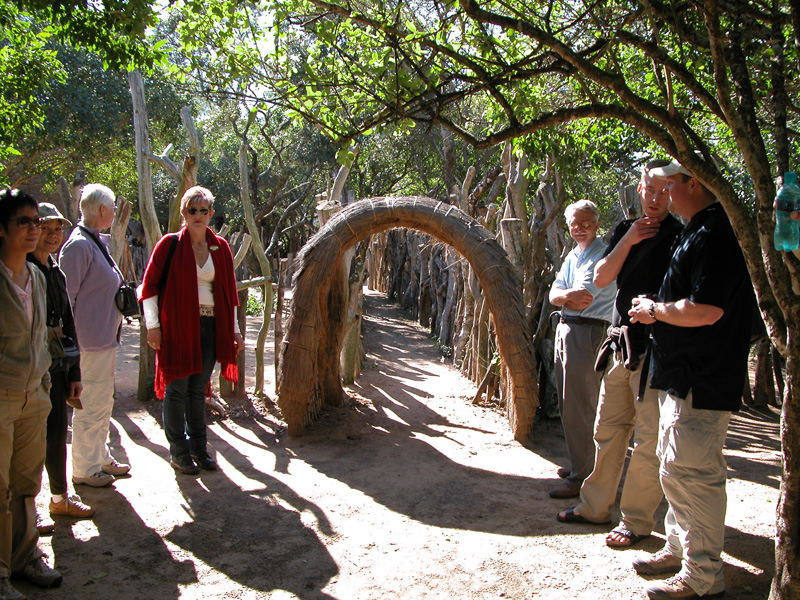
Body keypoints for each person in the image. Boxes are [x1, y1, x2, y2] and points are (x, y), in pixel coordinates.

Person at [628, 155, 754, 600]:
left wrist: (655, 310)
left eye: (669, 184)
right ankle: (679, 551)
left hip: (703, 377)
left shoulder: (716, 233)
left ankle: (703, 576)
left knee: (696, 474)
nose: (663, 193)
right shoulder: (697, 229)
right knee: (674, 468)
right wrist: (657, 306)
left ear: (694, 182)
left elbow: (707, 309)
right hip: (682, 377)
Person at [556, 161, 683, 548]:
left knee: (646, 439)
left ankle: (636, 521)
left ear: (673, 193)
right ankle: (595, 507)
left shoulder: (679, 235)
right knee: (607, 429)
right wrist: (628, 239)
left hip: (654, 349)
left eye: (664, 191)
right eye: (650, 190)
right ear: (640, 190)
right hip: (619, 346)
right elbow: (602, 278)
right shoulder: (624, 230)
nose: (656, 199)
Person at [139, 186, 242, 475]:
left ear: (211, 213)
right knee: (176, 389)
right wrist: (153, 326)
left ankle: (199, 448)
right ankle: (179, 451)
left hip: (210, 325)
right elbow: (149, 287)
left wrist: (234, 330)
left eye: (203, 210)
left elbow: (229, 293)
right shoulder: (170, 244)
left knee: (198, 391)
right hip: (178, 327)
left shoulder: (220, 247)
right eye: (192, 210)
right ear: (183, 213)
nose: (198, 215)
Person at [0, 189, 63, 599]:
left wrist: (44, 385)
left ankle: (25, 558)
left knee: (26, 484)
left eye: (35, 222)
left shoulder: (37, 276)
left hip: (34, 397)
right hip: (2, 397)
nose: (33, 229)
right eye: (23, 221)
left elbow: (41, 337)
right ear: (1, 229)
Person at [28, 203, 95, 535]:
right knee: (28, 441)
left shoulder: (56, 272)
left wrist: (75, 373)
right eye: (46, 229)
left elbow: (68, 324)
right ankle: (27, 510)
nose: (53, 236)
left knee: (55, 435)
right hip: (28, 369)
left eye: (58, 230)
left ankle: (58, 499)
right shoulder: (22, 271)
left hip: (56, 367)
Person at [59, 184, 130, 488]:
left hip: (103, 340)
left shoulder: (94, 241)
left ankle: (100, 457)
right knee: (89, 405)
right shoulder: (78, 246)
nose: (114, 213)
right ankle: (84, 469)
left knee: (102, 402)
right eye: (112, 208)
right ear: (102, 210)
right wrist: (72, 345)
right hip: (88, 344)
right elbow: (67, 300)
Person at [548, 199, 616, 499]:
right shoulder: (574, 255)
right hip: (568, 328)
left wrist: (563, 296)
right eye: (575, 223)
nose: (580, 228)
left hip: (587, 331)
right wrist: (565, 296)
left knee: (581, 405)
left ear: (597, 224)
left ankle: (583, 478)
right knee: (568, 403)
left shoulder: (602, 255)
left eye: (586, 222)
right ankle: (581, 464)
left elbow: (584, 297)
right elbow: (555, 293)